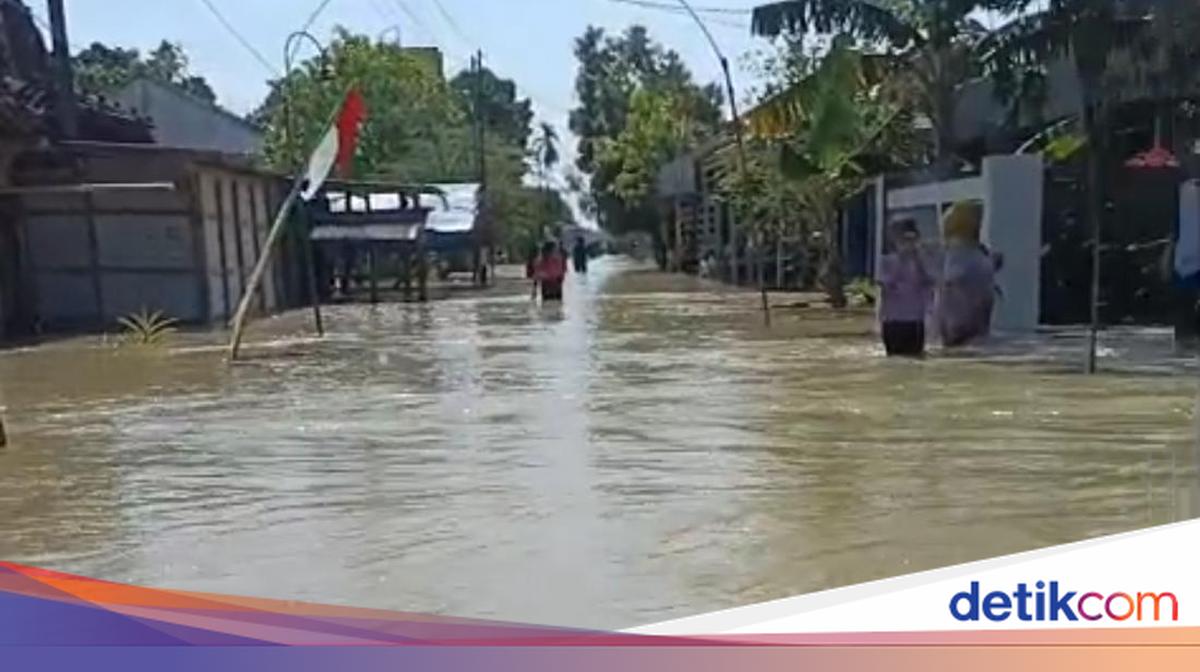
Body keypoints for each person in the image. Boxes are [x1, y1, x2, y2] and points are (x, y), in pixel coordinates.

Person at [938, 202, 997, 348]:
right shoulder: (978, 255)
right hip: (975, 325)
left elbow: (951, 282)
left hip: (959, 326)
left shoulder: (959, 254)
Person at [878, 219, 934, 357]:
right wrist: (902, 259)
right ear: (895, 240)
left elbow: (929, 283)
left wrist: (919, 260)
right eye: (903, 239)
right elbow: (886, 286)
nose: (908, 244)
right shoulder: (887, 261)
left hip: (915, 322)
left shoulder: (919, 261)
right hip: (894, 322)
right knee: (895, 361)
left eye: (912, 239)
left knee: (916, 360)